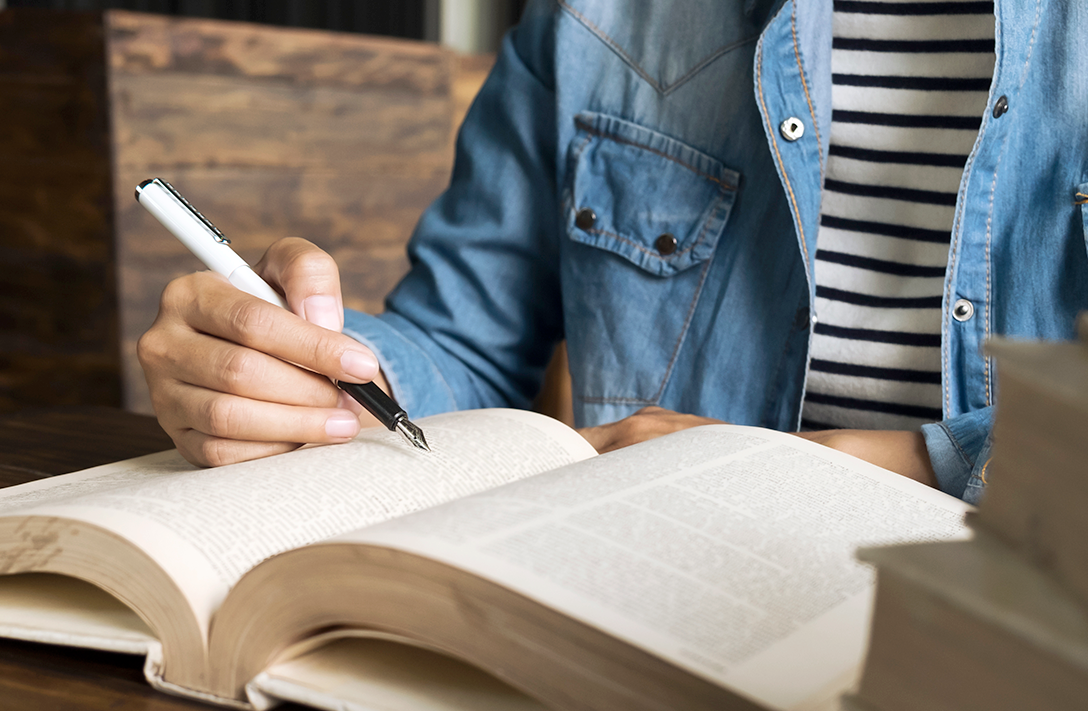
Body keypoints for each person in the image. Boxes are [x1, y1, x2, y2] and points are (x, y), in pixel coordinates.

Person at [138, 0, 1088, 504]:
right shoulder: (593, 21)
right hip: (647, 589)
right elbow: (464, 351)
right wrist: (298, 364)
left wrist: (891, 464)